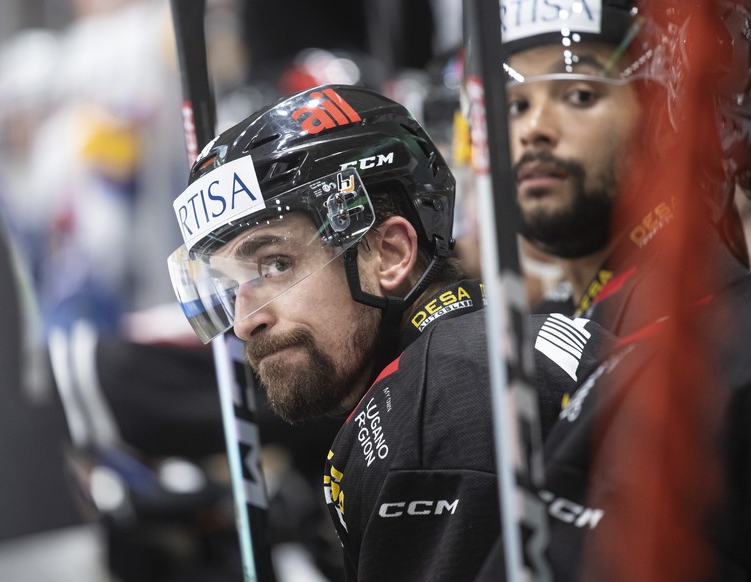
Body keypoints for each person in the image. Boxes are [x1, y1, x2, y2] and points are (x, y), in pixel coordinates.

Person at [166, 84, 614, 580]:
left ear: (390, 253)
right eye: (231, 288)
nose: (247, 321)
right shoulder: (485, 349)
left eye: (275, 264)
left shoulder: (439, 400)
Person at [474, 0, 751, 579]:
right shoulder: (548, 322)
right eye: (514, 105)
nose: (533, 129)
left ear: (665, 113)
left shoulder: (712, 319)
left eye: (579, 94)